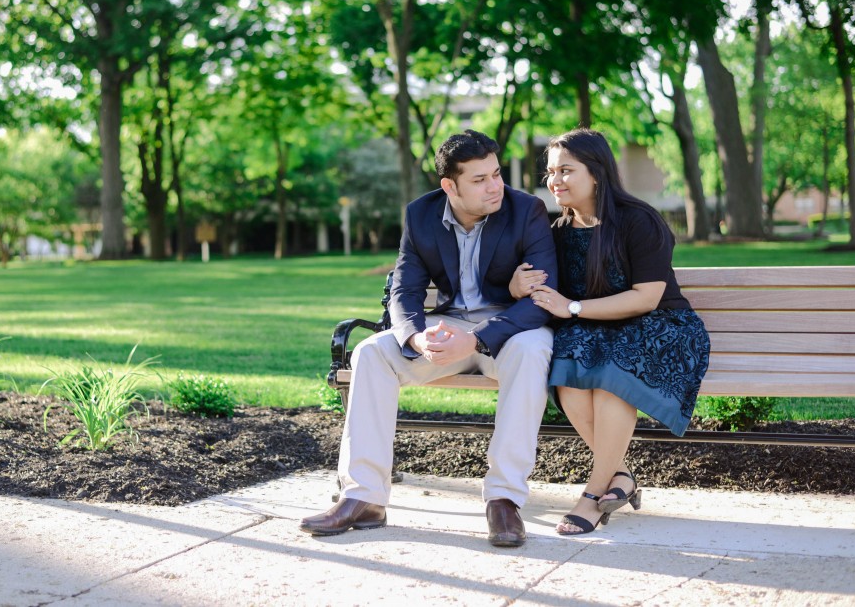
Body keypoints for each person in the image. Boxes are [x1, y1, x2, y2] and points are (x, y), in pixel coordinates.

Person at [300, 129, 558, 547]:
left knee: (534, 349)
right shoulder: (421, 215)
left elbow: (541, 299)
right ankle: (363, 497)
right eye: (480, 180)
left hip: (512, 327)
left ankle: (504, 501)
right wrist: (417, 339)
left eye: (496, 174)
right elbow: (405, 289)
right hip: (448, 325)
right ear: (449, 186)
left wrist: (475, 340)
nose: (495, 186)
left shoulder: (526, 209)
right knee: (371, 353)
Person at [510, 128, 710, 536]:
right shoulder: (559, 232)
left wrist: (574, 308)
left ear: (597, 172)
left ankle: (593, 492)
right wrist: (518, 286)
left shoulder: (639, 220)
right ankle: (621, 476)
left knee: (609, 376)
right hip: (598, 330)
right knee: (569, 370)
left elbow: (648, 297)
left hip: (660, 328)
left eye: (566, 170)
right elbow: (541, 286)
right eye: (551, 172)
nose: (555, 181)